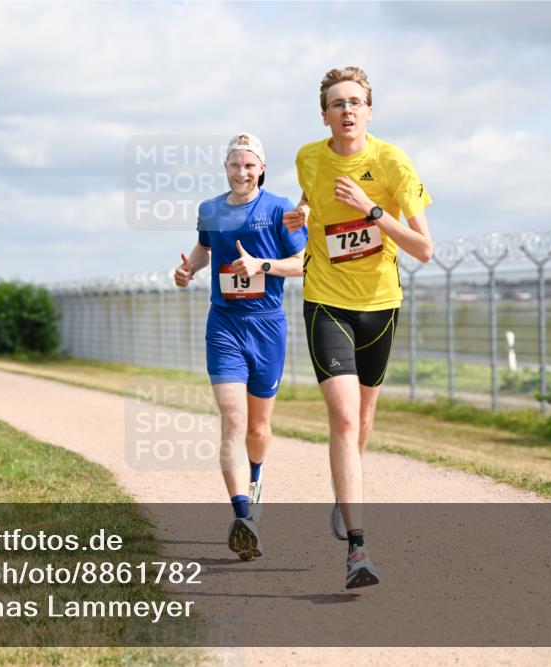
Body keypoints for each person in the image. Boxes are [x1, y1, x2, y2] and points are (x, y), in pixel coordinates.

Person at [284, 67, 433, 589]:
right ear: (323, 114)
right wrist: (301, 215)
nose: (347, 110)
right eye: (336, 103)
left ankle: (346, 493)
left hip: (380, 306)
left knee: (364, 421)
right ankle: (358, 548)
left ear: (369, 111)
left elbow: (424, 249)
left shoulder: (392, 162)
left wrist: (372, 212)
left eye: (356, 102)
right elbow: (310, 200)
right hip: (326, 300)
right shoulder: (308, 157)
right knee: (344, 421)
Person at [173, 133, 307, 561]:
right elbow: (205, 248)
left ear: (261, 168)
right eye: (235, 164)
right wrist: (189, 268)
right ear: (225, 168)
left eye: (250, 165)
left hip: (267, 326)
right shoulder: (210, 209)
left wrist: (262, 265)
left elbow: (304, 263)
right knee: (233, 419)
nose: (242, 171)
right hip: (224, 324)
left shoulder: (280, 209)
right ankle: (242, 516)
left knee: (257, 429)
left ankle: (256, 476)